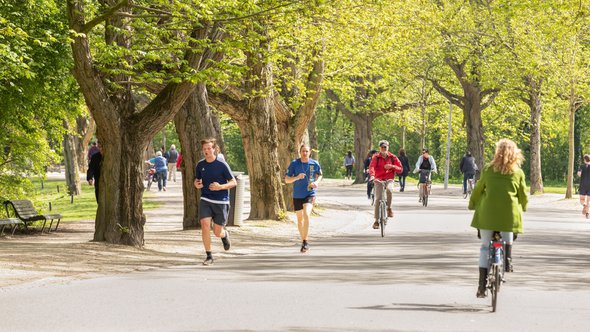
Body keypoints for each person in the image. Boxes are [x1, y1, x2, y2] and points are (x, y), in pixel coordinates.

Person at [469, 139, 527, 298]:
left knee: (485, 247)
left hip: (488, 215)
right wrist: (524, 206)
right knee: (508, 236)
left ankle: (481, 286)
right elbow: (523, 194)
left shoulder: (488, 170)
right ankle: (508, 259)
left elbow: (478, 190)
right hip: (509, 216)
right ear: (515, 154)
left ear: (497, 153)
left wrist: (472, 204)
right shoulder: (518, 172)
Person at [194, 138, 236, 266]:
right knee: (205, 224)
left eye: (209, 148)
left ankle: (224, 235)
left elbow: (233, 182)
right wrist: (196, 184)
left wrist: (220, 187)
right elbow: (197, 181)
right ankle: (209, 255)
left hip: (221, 201)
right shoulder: (200, 165)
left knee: (217, 232)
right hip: (206, 198)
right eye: (204, 149)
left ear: (214, 149)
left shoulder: (222, 164)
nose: (206, 151)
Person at [285, 144, 323, 253]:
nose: (305, 153)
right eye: (303, 151)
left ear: (310, 152)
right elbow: (287, 180)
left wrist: (316, 182)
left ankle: (305, 242)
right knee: (299, 220)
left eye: (306, 151)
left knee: (306, 214)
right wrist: (296, 177)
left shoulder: (314, 163)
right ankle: (304, 240)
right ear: (300, 152)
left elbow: (320, 174)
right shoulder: (294, 164)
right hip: (297, 195)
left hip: (309, 193)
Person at [369, 140, 402, 229]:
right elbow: (371, 166)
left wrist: (392, 166)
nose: (384, 148)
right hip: (378, 179)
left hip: (389, 179)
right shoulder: (376, 157)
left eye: (385, 147)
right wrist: (372, 176)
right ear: (380, 148)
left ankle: (389, 208)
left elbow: (400, 169)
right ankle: (376, 221)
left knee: (389, 190)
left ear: (388, 147)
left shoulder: (393, 157)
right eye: (382, 147)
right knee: (378, 199)